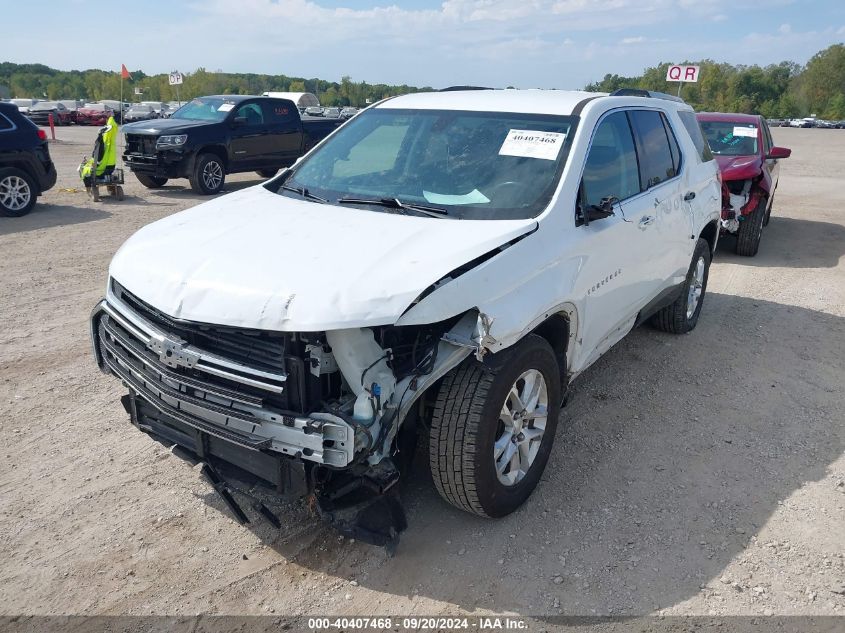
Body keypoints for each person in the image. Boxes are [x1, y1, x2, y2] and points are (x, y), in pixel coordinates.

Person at [79, 115, 118, 188]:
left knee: (84, 169)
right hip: (111, 167)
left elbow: (97, 156)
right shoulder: (112, 138)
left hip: (100, 170)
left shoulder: (104, 141)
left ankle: (88, 187)